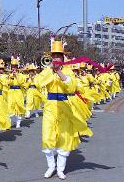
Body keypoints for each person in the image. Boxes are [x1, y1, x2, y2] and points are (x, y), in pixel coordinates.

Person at [34, 41, 92, 180]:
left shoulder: (67, 70)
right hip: (50, 107)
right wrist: (50, 70)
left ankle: (60, 169)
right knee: (47, 137)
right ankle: (50, 167)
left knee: (64, 138)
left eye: (58, 56)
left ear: (63, 57)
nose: (56, 58)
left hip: (65, 106)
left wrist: (59, 71)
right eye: (54, 56)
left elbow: (71, 88)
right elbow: (37, 82)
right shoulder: (47, 70)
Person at [7, 56, 26, 128]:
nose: (13, 68)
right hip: (11, 92)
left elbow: (21, 83)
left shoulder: (21, 75)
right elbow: (7, 83)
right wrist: (10, 77)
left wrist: (16, 76)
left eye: (15, 67)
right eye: (12, 67)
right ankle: (9, 123)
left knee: (19, 107)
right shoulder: (9, 75)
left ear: (17, 67)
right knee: (10, 107)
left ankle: (18, 122)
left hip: (18, 92)